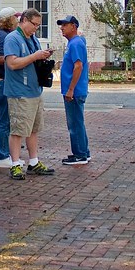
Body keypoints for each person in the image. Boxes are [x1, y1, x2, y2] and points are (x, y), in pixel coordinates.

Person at [3, 8, 56, 179]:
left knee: (33, 129)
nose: (36, 29)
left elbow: (32, 59)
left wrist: (43, 57)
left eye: (38, 26)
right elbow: (12, 63)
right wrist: (35, 56)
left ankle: (33, 162)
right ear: (24, 20)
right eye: (34, 24)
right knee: (18, 129)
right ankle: (15, 164)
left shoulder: (32, 38)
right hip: (20, 92)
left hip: (34, 90)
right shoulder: (12, 38)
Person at [57, 15, 90, 165]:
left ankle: (80, 155)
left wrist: (70, 89)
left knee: (75, 123)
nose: (62, 28)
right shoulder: (76, 42)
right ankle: (83, 151)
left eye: (65, 25)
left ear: (73, 26)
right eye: (61, 25)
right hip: (76, 90)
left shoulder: (75, 43)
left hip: (74, 92)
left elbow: (78, 66)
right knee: (78, 122)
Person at [0, 7, 19, 168]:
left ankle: (5, 153)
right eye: (15, 17)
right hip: (3, 82)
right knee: (4, 121)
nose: (17, 20)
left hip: (3, 81)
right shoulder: (2, 35)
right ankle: (2, 155)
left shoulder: (2, 34)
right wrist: (14, 59)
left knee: (6, 120)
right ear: (9, 19)